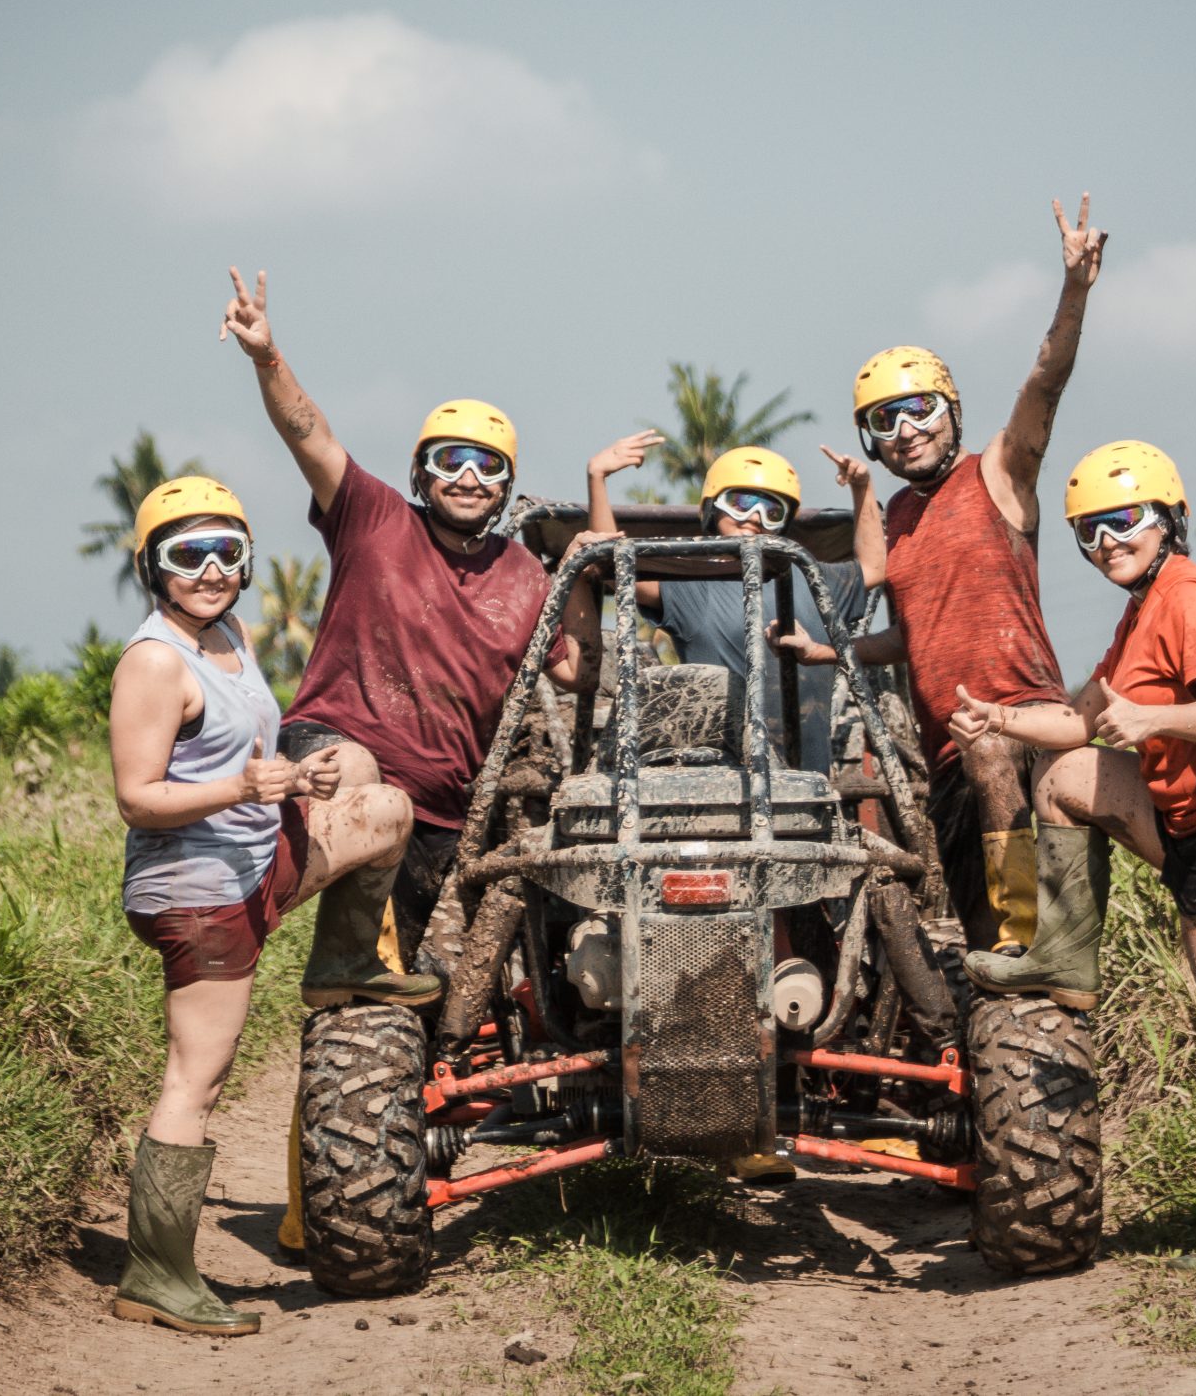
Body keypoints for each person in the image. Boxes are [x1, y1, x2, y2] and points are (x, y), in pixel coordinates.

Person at [949, 441, 1196, 1270]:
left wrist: (1153, 724)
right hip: (1189, 820)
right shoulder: (1139, 615)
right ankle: (1065, 955)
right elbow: (1076, 723)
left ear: (1169, 519)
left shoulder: (1191, 598)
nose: (1107, 541)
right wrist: (996, 721)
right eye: (1089, 532)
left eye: (1124, 520)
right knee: (1067, 776)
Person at [105, 475, 423, 1335]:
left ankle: (344, 960)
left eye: (226, 552)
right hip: (199, 891)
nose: (209, 571)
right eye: (187, 554)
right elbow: (137, 798)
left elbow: (252, 750)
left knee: (382, 804)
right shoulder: (155, 661)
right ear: (152, 566)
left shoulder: (229, 636)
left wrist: (296, 776)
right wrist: (239, 785)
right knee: (195, 1079)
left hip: (256, 856)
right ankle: (155, 1273)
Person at [219, 266, 600, 974]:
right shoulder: (374, 517)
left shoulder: (525, 575)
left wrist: (583, 573)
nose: (467, 476)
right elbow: (309, 434)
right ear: (420, 473)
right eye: (449, 459)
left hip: (439, 819)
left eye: (487, 465)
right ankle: (231, 913)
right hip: (337, 752)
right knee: (360, 771)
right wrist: (267, 355)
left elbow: (578, 669)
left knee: (390, 994)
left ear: (505, 485)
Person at [774, 196, 1106, 951]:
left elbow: (1045, 384)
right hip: (951, 758)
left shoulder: (999, 472)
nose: (905, 430)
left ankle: (1041, 945)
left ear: (951, 408)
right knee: (990, 950)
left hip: (1028, 736)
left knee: (1037, 937)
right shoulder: (895, 520)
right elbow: (913, 632)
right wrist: (832, 652)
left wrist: (1075, 291)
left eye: (919, 408)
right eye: (884, 420)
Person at [584, 434, 885, 773]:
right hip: (722, 777)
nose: (755, 517)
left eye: (772, 510)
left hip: (805, 779)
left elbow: (873, 568)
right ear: (713, 506)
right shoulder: (693, 584)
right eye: (741, 502)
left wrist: (863, 487)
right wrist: (598, 478)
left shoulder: (808, 575)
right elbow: (616, 569)